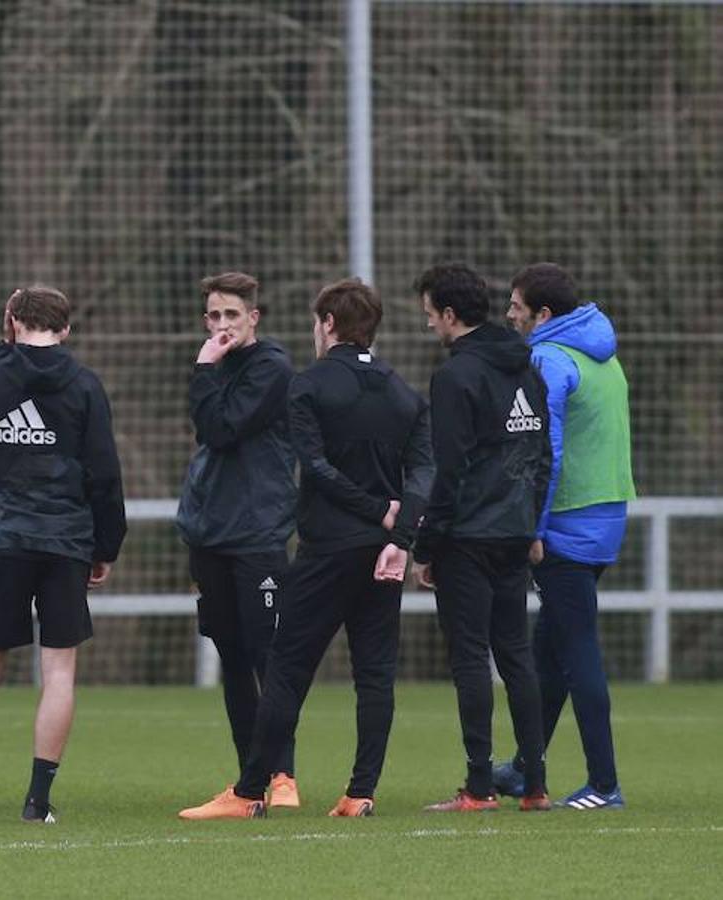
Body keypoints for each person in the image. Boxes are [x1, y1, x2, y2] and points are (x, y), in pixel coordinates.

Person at [178, 278, 434, 820]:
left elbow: (315, 466)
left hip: (327, 550)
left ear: (329, 325)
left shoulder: (309, 386)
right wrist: (400, 535)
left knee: (287, 670)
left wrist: (375, 512)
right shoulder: (404, 393)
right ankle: (360, 793)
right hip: (384, 553)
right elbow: (423, 472)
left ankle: (250, 793)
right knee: (374, 673)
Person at [0, 285, 126, 825]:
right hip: (65, 542)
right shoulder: (84, 384)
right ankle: (38, 803)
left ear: (12, 321)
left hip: (9, 541)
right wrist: (105, 546)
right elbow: (105, 474)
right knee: (58, 672)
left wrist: (4, 345)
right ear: (65, 329)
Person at [413, 262, 553, 812]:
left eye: (429, 316)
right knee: (516, 656)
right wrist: (530, 520)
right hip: (514, 532)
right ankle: (535, 785)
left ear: (450, 315)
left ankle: (478, 787)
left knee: (471, 659)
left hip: (467, 537)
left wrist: (427, 547)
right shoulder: (528, 369)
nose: (429, 327)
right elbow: (542, 456)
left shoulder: (455, 378)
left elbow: (449, 470)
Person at [495, 262, 635, 810]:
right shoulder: (602, 352)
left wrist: (533, 526)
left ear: (542, 314)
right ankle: (525, 768)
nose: (509, 314)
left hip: (566, 527)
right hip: (605, 517)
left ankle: (604, 785)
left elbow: (543, 455)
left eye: (515, 306)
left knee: (576, 652)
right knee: (548, 652)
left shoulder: (549, 359)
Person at [174, 271, 301, 807]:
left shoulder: (269, 367)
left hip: (258, 533)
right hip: (212, 533)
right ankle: (249, 776)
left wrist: (204, 368)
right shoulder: (218, 368)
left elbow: (221, 428)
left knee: (268, 656)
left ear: (254, 317)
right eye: (214, 316)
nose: (222, 325)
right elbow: (209, 431)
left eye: (232, 315)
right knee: (231, 656)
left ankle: (282, 777)